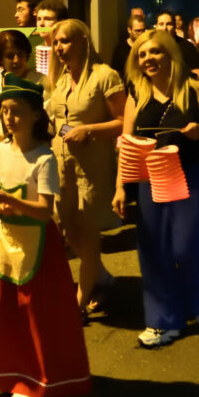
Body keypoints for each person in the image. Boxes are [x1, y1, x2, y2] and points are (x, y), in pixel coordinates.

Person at [0, 73, 91, 397]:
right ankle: (12, 372)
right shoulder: (0, 149)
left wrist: (10, 201)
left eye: (16, 111)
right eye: (4, 111)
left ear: (35, 115)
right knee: (5, 309)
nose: (9, 118)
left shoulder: (44, 158)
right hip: (6, 238)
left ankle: (39, 380)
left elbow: (45, 211)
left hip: (38, 243)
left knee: (37, 313)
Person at [113, 30, 199, 347]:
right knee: (153, 252)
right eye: (142, 54)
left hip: (192, 177)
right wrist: (121, 187)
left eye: (154, 52)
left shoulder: (196, 91)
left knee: (186, 245)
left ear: (170, 55)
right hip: (151, 180)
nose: (148, 59)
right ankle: (164, 321)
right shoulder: (137, 94)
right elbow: (126, 145)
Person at [47, 19, 125, 318]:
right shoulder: (62, 78)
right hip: (61, 165)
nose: (59, 47)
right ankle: (101, 278)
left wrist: (89, 130)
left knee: (88, 235)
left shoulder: (104, 75)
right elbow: (56, 122)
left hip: (92, 168)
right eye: (55, 42)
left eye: (65, 41)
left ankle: (78, 302)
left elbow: (122, 121)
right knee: (68, 233)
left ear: (83, 41)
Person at [0, 30, 48, 161]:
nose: (16, 60)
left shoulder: (40, 81)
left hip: (31, 153)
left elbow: (49, 119)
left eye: (20, 54)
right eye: (10, 56)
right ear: (0, 59)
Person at [155, 10, 199, 77]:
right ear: (156, 26)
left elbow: (198, 74)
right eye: (161, 24)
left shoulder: (187, 47)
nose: (164, 28)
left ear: (174, 26)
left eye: (169, 24)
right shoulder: (150, 47)